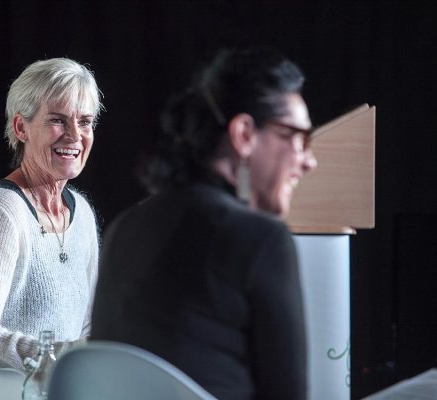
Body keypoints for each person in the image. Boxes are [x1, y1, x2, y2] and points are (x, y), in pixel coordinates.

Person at [90, 47, 317, 399]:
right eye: (297, 136)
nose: (309, 161)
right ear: (244, 133)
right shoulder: (260, 240)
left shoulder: (124, 226)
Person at [0, 57, 103, 369]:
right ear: (21, 128)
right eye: (58, 120)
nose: (74, 135)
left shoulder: (81, 213)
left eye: (84, 122)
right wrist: (62, 358)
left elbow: (87, 329)